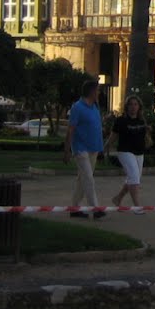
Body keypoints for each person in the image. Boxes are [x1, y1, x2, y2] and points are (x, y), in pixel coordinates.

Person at [64, 79, 105, 219]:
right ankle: (95, 208)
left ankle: (74, 208)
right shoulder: (77, 107)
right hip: (80, 148)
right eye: (97, 90)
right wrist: (67, 150)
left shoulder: (95, 107)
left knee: (82, 179)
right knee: (88, 177)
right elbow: (71, 129)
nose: (99, 92)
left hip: (94, 148)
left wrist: (101, 148)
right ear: (92, 91)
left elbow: (97, 129)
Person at [106, 94, 152, 213]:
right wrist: (106, 147)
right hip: (125, 151)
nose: (133, 107)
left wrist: (148, 132)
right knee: (134, 178)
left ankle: (118, 198)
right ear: (126, 107)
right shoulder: (121, 121)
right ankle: (137, 206)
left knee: (134, 178)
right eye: (130, 104)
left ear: (139, 107)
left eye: (135, 104)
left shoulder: (141, 120)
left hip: (139, 152)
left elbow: (145, 136)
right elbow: (113, 136)